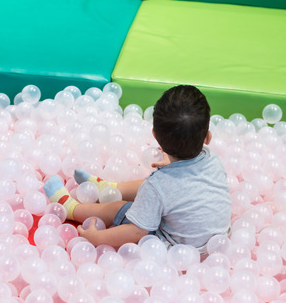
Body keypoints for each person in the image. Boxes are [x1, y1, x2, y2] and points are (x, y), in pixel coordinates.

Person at [43, 85, 231, 253]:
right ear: (207, 137)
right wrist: (173, 161)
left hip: (180, 251)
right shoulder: (212, 159)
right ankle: (110, 188)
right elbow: (185, 182)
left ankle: (71, 209)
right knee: (160, 187)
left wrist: (96, 238)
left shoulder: (157, 185)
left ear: (155, 135)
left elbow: (136, 231)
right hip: (217, 245)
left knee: (120, 206)